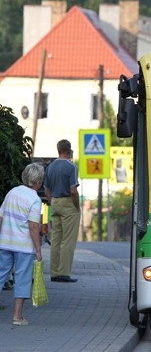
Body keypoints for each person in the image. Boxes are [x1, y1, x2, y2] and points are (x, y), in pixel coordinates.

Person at [0, 163, 45, 325]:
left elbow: (1, 217)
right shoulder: (34, 199)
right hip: (24, 247)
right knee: (22, 279)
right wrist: (38, 250)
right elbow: (34, 227)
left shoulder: (12, 193)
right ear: (39, 182)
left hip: (5, 243)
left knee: (0, 275)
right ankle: (17, 316)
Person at [44, 139, 80, 282]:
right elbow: (73, 191)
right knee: (68, 240)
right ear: (69, 150)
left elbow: (46, 189)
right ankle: (64, 273)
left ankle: (53, 273)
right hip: (68, 203)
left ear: (58, 150)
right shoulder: (71, 167)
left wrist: (52, 201)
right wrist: (76, 206)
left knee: (56, 239)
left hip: (55, 202)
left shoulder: (50, 167)